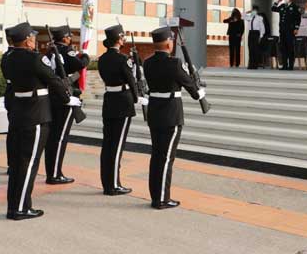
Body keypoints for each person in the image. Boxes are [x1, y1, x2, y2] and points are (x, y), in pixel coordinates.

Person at [3, 22, 77, 220]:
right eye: (32, 37)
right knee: (29, 163)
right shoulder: (35, 59)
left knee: (19, 163)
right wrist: (68, 98)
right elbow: (53, 80)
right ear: (27, 40)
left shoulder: (9, 58)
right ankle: (20, 208)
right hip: (36, 115)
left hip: (19, 111)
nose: (34, 40)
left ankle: (15, 206)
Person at [143, 26, 205, 209]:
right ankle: (161, 199)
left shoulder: (147, 62)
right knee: (166, 158)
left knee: (156, 156)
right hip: (171, 115)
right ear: (169, 44)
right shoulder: (174, 63)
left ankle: (156, 195)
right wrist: (200, 93)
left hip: (155, 113)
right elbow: (189, 85)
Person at [44, 25, 89, 184]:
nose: (71, 39)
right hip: (66, 96)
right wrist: (85, 57)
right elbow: (79, 65)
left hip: (53, 96)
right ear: (64, 38)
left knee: (53, 136)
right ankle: (55, 174)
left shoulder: (49, 52)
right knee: (60, 137)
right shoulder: (66, 51)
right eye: (69, 36)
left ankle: (52, 171)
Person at [97, 24, 139, 195]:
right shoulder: (123, 60)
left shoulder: (102, 59)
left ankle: (107, 182)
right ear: (119, 39)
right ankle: (113, 184)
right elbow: (131, 80)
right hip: (123, 102)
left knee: (108, 143)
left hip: (109, 100)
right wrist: (137, 98)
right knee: (117, 145)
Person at [271, 0, 301, 70]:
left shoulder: (295, 7)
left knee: (290, 48)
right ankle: (284, 65)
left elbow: (298, 19)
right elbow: (273, 8)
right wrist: (278, 1)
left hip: (290, 31)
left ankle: (290, 65)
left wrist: (296, 28)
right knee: (283, 48)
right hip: (282, 30)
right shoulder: (282, 6)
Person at [1, 28, 14, 176]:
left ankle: (11, 164)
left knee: (13, 132)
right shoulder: (16, 56)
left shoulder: (6, 55)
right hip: (20, 96)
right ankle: (15, 164)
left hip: (11, 94)